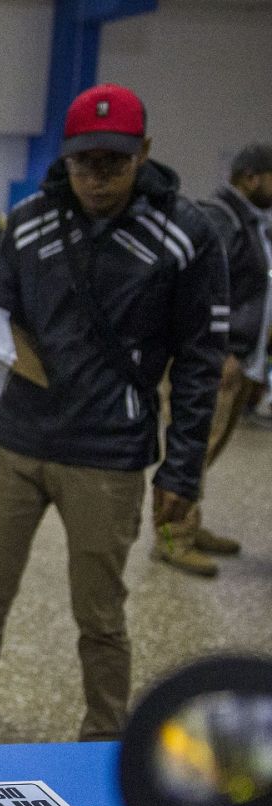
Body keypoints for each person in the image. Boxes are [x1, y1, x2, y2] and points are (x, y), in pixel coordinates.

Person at [0, 84, 225, 746]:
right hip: (17, 442)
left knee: (100, 614)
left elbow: (201, 362)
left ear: (142, 153)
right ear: (66, 156)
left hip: (109, 453)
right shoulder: (28, 222)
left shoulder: (187, 234)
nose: (97, 178)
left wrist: (183, 470)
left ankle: (104, 737)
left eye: (114, 163)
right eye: (85, 162)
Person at [174, 143, 272, 573]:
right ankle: (171, 536)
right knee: (192, 448)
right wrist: (223, 349)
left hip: (242, 357)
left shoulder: (252, 221)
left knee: (207, 451)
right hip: (219, 358)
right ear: (251, 177)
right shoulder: (220, 217)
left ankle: (189, 523)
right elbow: (206, 288)